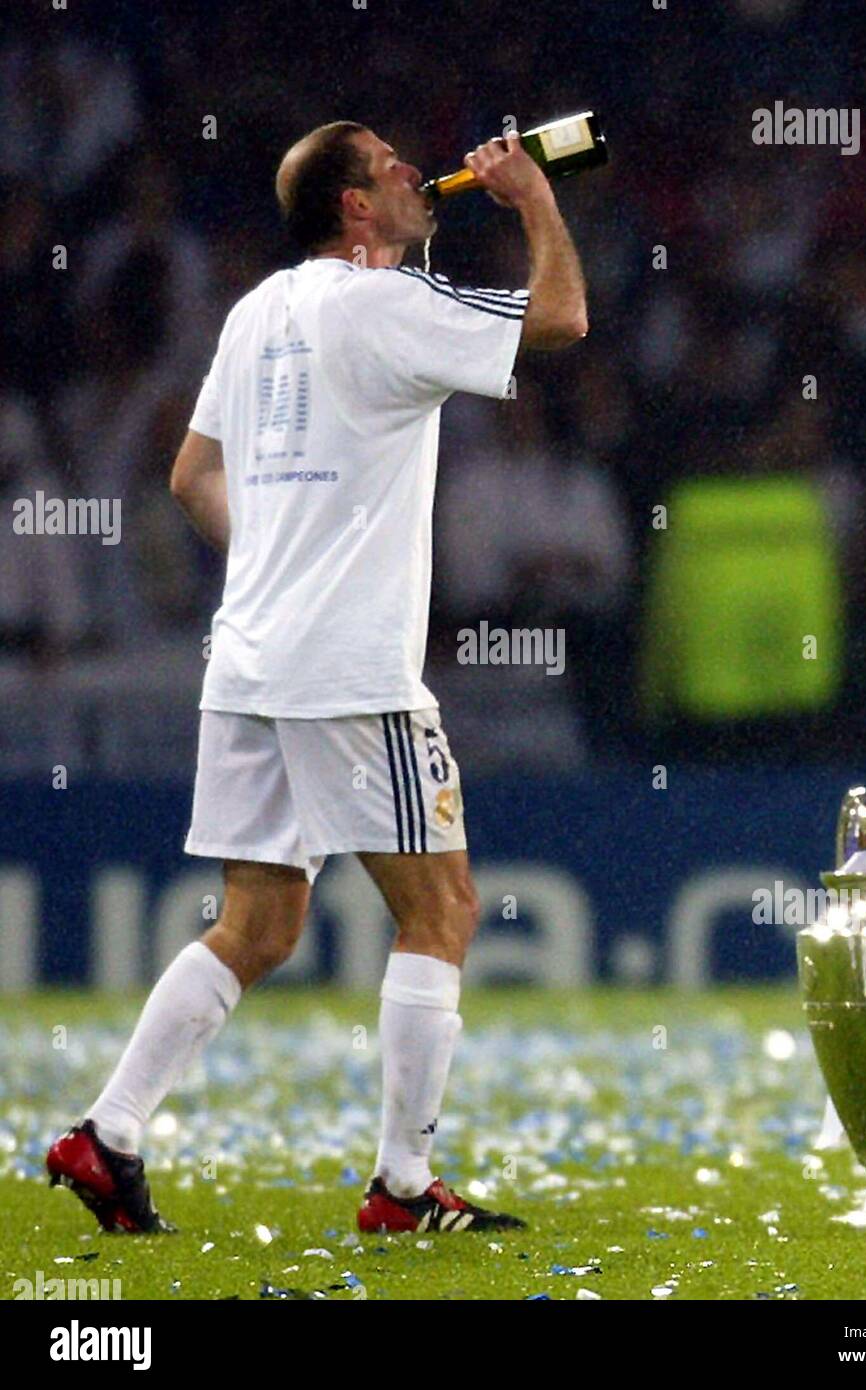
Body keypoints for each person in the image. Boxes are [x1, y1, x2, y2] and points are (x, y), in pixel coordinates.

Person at [46, 120, 587, 1235]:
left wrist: (282, 562)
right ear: (353, 207)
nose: (412, 172)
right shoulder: (385, 302)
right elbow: (565, 318)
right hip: (349, 669)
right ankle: (400, 1187)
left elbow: (192, 475)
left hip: (247, 659)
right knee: (442, 909)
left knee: (260, 925)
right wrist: (532, 198)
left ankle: (104, 1133)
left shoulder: (254, 312)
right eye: (390, 166)